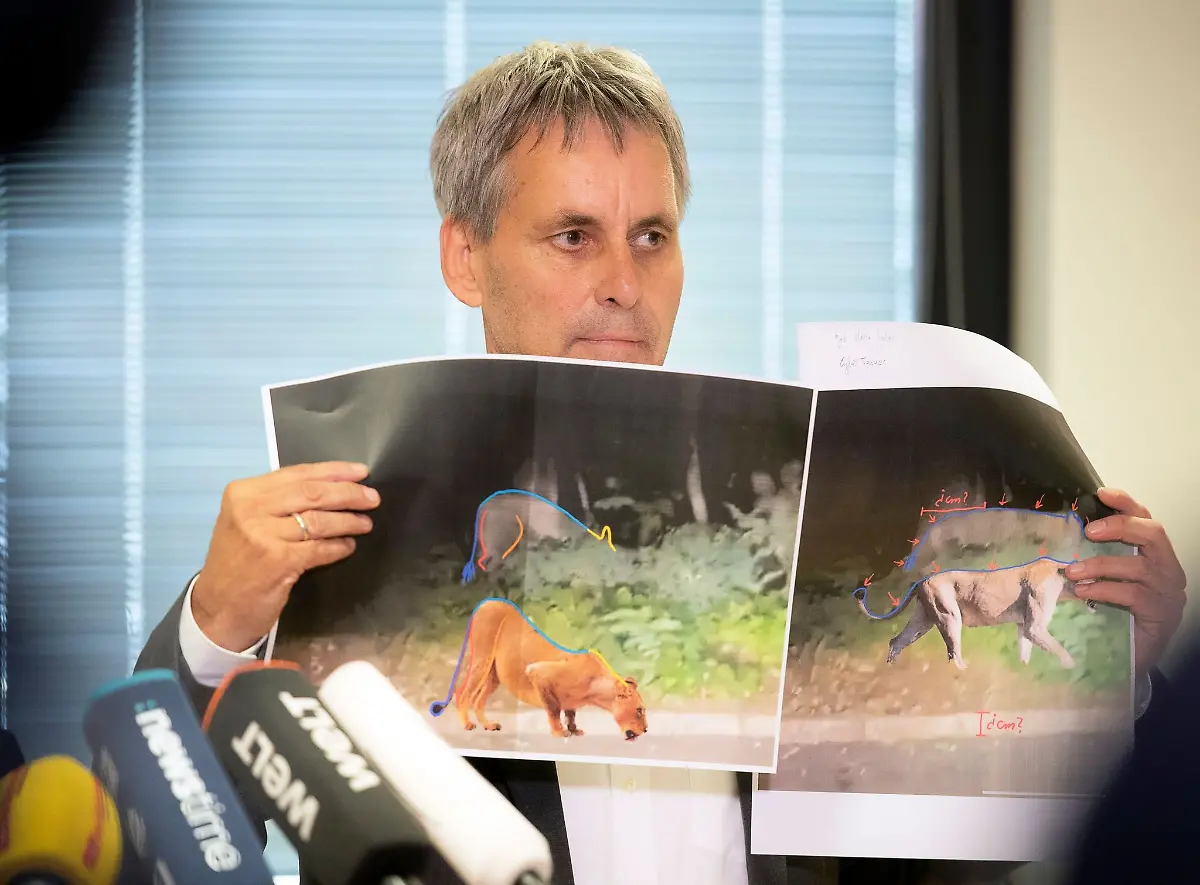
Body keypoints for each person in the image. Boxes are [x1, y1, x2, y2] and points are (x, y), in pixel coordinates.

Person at [134, 40, 1189, 885]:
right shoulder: (350, 511)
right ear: (466, 256)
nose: (623, 283)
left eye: (651, 235)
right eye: (573, 236)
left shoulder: (784, 512)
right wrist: (214, 625)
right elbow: (157, 814)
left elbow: (935, 858)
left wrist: (1113, 675)